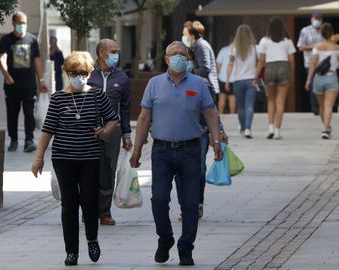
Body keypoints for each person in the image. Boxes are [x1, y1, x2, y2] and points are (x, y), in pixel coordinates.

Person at [129, 41, 223, 266]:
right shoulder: (154, 83)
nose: (179, 57)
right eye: (174, 54)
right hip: (161, 150)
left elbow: (210, 113)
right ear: (166, 59)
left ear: (189, 58)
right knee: (159, 199)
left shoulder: (199, 84)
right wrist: (137, 149)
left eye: (183, 54)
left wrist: (216, 139)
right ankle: (165, 238)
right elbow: (143, 118)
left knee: (190, 204)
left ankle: (185, 247)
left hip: (190, 150)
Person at [31, 51, 118, 266]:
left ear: (89, 73)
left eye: (83, 72)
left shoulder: (97, 95)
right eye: (74, 72)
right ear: (66, 73)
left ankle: (92, 239)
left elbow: (112, 119)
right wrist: (39, 157)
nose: (79, 76)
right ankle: (71, 251)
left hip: (90, 158)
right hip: (64, 159)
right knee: (69, 204)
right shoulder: (58, 98)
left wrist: (105, 132)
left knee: (89, 202)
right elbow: (48, 129)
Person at [182, 20, 227, 219]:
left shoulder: (199, 46)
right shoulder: (171, 83)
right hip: (182, 132)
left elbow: (211, 111)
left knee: (198, 167)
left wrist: (219, 131)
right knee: (185, 170)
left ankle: (196, 204)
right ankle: (189, 205)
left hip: (200, 128)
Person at [87, 39, 132, 226]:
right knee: (88, 170)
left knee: (108, 171)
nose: (116, 54)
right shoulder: (89, 75)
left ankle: (104, 212)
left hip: (113, 131)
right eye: (113, 51)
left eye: (117, 51)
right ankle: (88, 210)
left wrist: (126, 135)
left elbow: (126, 108)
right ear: (101, 53)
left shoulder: (122, 78)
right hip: (89, 130)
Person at [0, 11, 49, 152]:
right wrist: (6, 74)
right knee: (12, 113)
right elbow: (2, 58)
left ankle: (29, 140)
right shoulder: (6, 40)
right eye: (20, 23)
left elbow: (37, 61)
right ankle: (13, 140)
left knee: (29, 112)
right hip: (11, 85)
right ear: (13, 23)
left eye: (24, 23)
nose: (22, 25)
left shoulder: (32, 40)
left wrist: (41, 80)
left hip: (29, 85)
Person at [256, 17, 296, 140]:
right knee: (280, 101)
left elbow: (261, 61)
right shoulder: (287, 41)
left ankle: (271, 129)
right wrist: (292, 73)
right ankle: (278, 131)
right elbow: (291, 60)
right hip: (284, 67)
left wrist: (255, 75)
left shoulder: (264, 41)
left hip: (270, 68)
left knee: (271, 100)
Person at [305, 23, 339, 139]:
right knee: (329, 106)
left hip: (318, 78)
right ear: (332, 33)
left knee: (322, 106)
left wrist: (308, 80)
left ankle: (326, 127)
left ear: (321, 33)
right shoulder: (338, 48)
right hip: (332, 77)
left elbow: (313, 64)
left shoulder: (317, 47)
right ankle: (326, 129)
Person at [226, 25, 259, 138]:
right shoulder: (255, 48)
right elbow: (260, 62)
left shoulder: (234, 49)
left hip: (238, 80)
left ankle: (243, 127)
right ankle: (248, 129)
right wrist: (256, 76)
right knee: (249, 105)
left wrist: (226, 80)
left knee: (240, 107)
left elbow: (230, 65)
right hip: (251, 80)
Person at [182, 20, 219, 96]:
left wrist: (190, 75)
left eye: (185, 34)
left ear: (192, 35)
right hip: (202, 86)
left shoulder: (200, 45)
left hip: (205, 87)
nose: (184, 37)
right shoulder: (196, 46)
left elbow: (205, 68)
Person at [297, 12, 324, 115]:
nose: (317, 20)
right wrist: (315, 46)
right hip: (310, 62)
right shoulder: (305, 31)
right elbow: (301, 47)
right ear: (311, 19)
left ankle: (322, 105)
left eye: (319, 18)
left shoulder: (324, 30)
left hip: (323, 62)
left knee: (321, 83)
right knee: (313, 83)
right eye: (315, 18)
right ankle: (315, 106)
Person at [216, 37, 237, 114]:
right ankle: (232, 116)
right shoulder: (239, 51)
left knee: (221, 98)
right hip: (235, 78)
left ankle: (220, 115)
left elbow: (218, 64)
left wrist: (218, 74)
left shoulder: (223, 50)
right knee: (233, 99)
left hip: (223, 78)